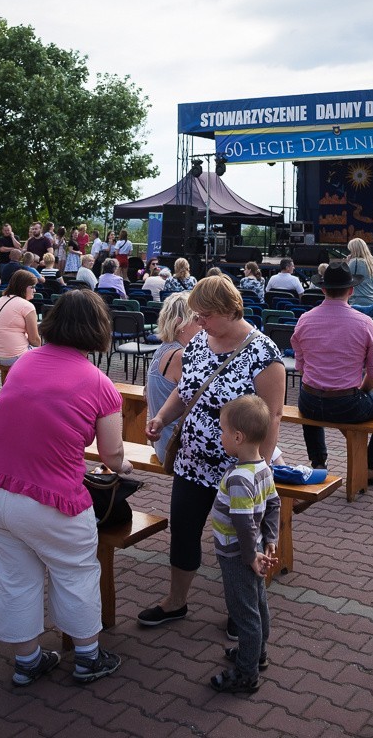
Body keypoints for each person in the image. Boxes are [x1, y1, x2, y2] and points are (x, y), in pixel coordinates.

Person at [0, 290, 129, 687]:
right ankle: (88, 658)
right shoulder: (100, 383)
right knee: (75, 572)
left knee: (12, 576)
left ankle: (27, 661)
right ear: (99, 330)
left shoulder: (23, 363)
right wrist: (125, 468)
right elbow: (112, 456)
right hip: (48, 500)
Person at [140, 276, 284, 630]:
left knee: (241, 546)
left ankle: (244, 610)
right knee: (184, 531)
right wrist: (161, 417)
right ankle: (176, 602)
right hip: (192, 462)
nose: (198, 323)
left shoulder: (265, 354)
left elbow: (273, 416)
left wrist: (258, 470)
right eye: (197, 316)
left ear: (228, 310)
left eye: (204, 315)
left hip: (238, 472)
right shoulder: (201, 342)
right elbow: (186, 390)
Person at [291, 261, 373, 484]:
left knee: (310, 394)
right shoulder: (365, 323)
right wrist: (361, 392)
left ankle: (318, 462)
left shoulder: (305, 319)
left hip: (310, 401)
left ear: (323, 289)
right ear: (351, 290)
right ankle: (371, 466)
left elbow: (301, 367)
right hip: (347, 405)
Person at [209, 395, 280, 693]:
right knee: (258, 604)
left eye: (223, 431)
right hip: (252, 553)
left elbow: (242, 521)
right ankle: (257, 654)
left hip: (238, 555)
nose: (221, 436)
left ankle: (246, 673)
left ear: (238, 437)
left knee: (244, 613)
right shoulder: (263, 468)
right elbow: (273, 505)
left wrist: (251, 555)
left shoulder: (239, 478)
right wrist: (271, 539)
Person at [145, 294, 200, 462]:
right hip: (175, 448)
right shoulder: (180, 356)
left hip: (163, 442)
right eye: (196, 318)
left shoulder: (163, 349)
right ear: (180, 322)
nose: (203, 324)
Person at [0, 270, 42, 367]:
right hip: (15, 356)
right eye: (32, 287)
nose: (35, 290)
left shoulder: (0, 300)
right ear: (23, 287)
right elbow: (34, 340)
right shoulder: (27, 306)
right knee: (47, 357)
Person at [346, 238, 373, 310]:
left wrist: (348, 262)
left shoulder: (355, 262)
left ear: (354, 250)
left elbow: (345, 278)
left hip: (360, 303)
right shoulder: (371, 263)